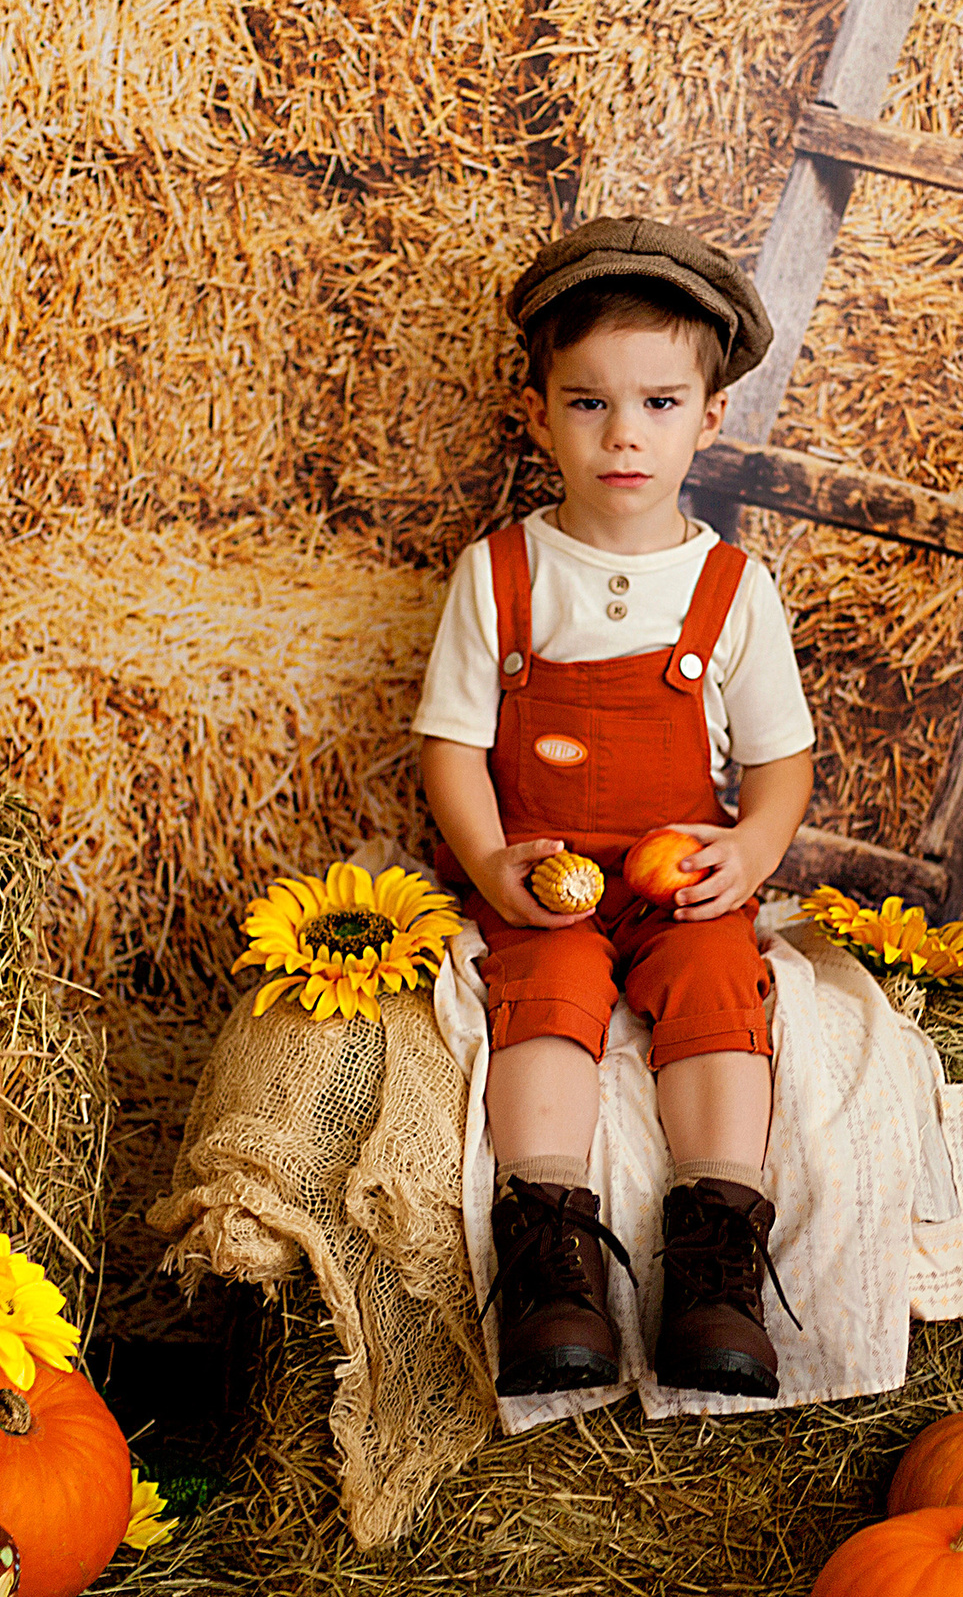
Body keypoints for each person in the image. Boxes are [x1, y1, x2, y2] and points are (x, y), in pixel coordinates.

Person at [412, 216, 815, 1398]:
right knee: (547, 986)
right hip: (544, 876)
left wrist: (749, 848)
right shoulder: (501, 573)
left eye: (656, 403)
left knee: (714, 984)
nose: (623, 434)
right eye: (587, 404)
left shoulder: (733, 588)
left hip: (680, 872)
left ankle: (715, 1252)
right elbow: (450, 743)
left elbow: (782, 762)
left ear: (710, 417)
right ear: (538, 415)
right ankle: (549, 1253)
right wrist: (490, 866)